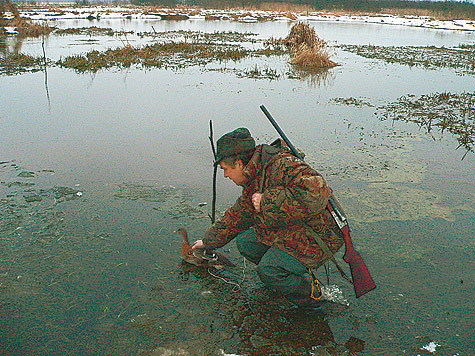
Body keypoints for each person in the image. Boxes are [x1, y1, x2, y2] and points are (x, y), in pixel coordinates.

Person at [192, 127, 344, 310]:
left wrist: (266, 200)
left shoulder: (281, 165)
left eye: (226, 169)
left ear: (239, 164)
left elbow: (316, 194)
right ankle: (286, 282)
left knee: (269, 270)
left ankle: (316, 302)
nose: (225, 175)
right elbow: (238, 215)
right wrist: (208, 242)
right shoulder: (256, 173)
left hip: (321, 234)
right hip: (296, 226)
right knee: (246, 242)